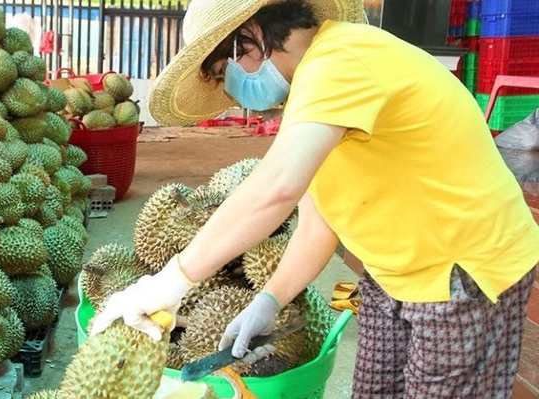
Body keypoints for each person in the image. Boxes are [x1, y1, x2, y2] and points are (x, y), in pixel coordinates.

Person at [90, 0, 539, 397]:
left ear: (250, 38)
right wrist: (270, 300)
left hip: (465, 269)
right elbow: (317, 222)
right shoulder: (311, 93)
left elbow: (277, 187)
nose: (232, 95)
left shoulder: (341, 61)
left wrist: (171, 282)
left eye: (226, 76)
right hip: (394, 274)